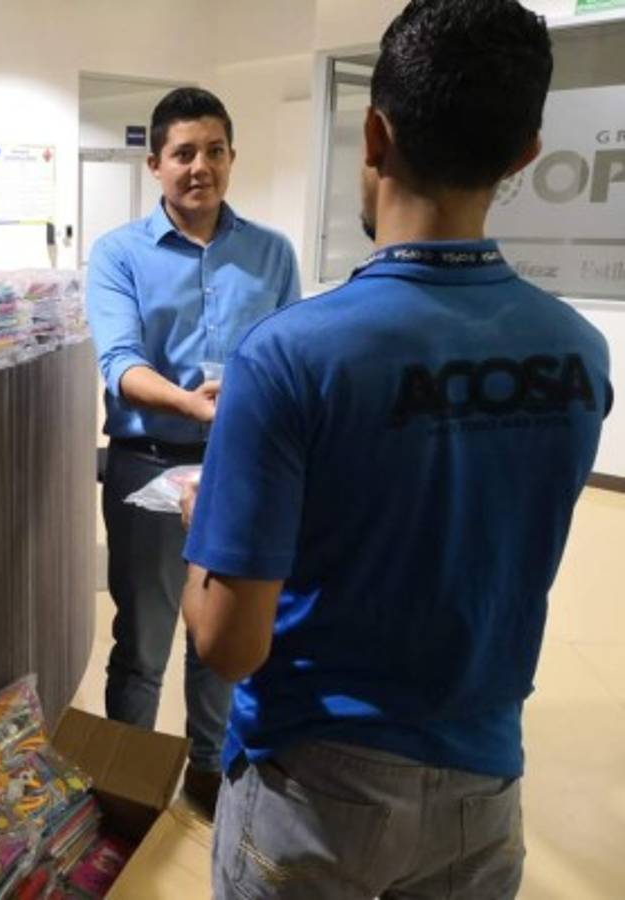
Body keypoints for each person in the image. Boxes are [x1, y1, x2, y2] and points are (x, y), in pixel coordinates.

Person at [179, 1, 613, 897]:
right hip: (484, 784)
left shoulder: (290, 355)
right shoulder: (577, 352)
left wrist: (202, 525)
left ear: (374, 135)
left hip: (310, 788)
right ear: (525, 154)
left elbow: (227, 644)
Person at [85, 86, 301, 812]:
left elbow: (289, 354)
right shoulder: (119, 254)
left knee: (220, 638)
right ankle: (128, 781)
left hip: (239, 470)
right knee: (142, 644)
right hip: (146, 463)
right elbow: (119, 363)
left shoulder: (271, 252)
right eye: (182, 153)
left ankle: (208, 772)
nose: (199, 166)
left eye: (214, 151)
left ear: (232, 157)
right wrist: (191, 403)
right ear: (154, 164)